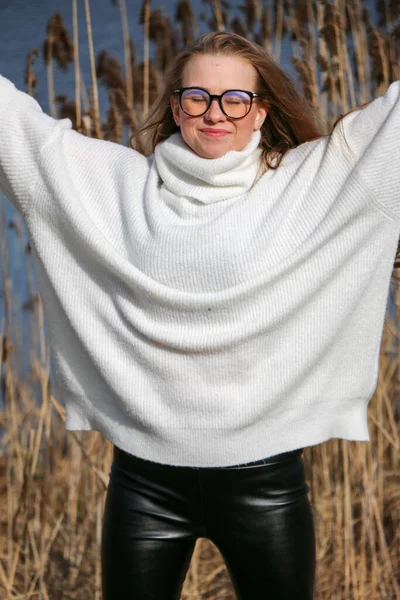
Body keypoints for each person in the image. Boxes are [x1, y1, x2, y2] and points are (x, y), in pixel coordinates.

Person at [0, 30, 399, 600]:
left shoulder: (313, 180)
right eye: (198, 97)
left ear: (260, 110)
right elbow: (13, 128)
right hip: (144, 484)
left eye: (235, 99)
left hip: (265, 486)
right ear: (175, 106)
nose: (216, 113)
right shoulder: (117, 185)